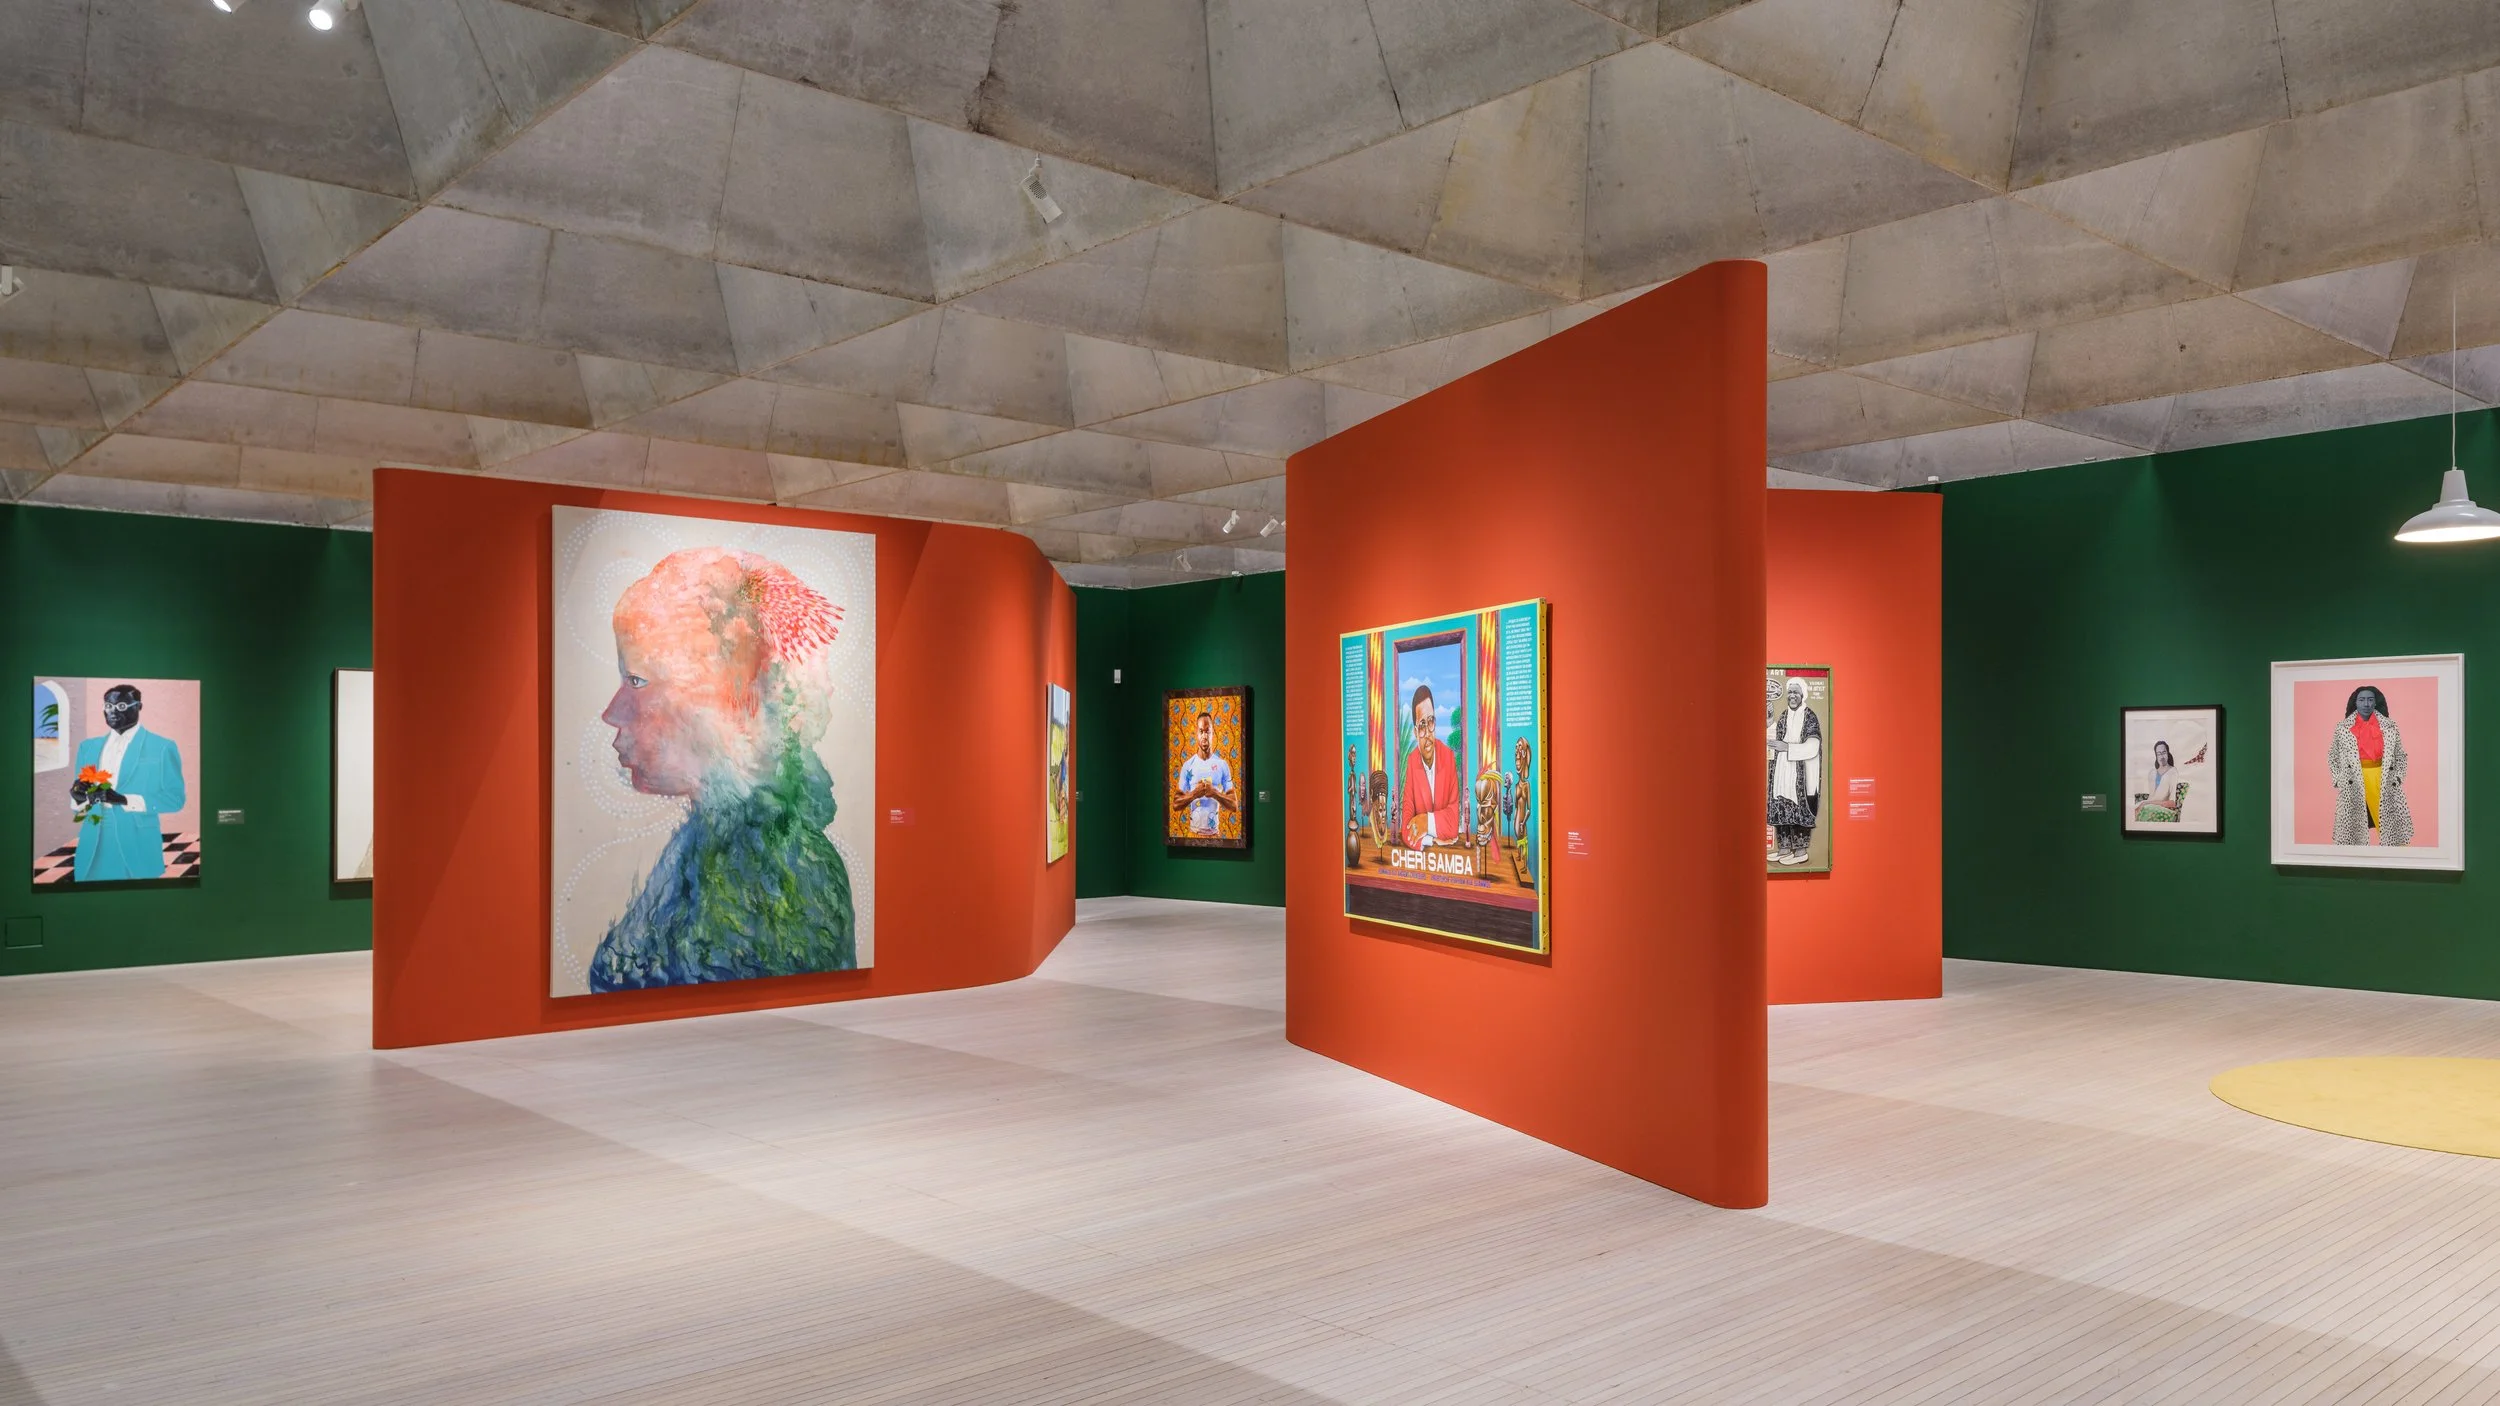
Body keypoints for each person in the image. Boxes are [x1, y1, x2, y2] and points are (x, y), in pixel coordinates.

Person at [588, 547, 856, 992]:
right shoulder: (707, 843)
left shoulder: (777, 874)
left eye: (637, 681)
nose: (613, 713)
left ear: (718, 701)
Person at [69, 684, 185, 882]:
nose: (113, 712)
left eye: (121, 706)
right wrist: (78, 798)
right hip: (94, 843)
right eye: (108, 706)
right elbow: (79, 806)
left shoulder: (162, 747)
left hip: (137, 843)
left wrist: (124, 800)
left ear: (139, 706)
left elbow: (175, 799)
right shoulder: (87, 748)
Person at [2330, 685, 2413, 846]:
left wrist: (2398, 777)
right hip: (2354, 780)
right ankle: (2354, 859)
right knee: (2352, 835)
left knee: (2393, 832)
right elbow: (2332, 756)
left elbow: (2401, 755)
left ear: (2376, 702)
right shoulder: (2342, 728)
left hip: (2383, 778)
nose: (2366, 704)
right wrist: (2338, 779)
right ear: (2355, 702)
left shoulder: (2390, 726)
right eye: (2361, 700)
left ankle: (2398, 857)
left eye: (2370, 700)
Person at [1399, 684, 1465, 846]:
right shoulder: (1412, 762)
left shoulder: (1448, 757)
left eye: (1431, 722)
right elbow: (1406, 827)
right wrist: (1431, 840)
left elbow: (1453, 823)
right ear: (1415, 732)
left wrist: (1425, 821)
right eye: (1422, 725)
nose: (1428, 733)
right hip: (1427, 856)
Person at [1766, 676, 1822, 866]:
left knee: (1797, 810)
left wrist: (1788, 747)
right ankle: (1784, 849)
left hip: (1800, 773)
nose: (1792, 696)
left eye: (1795, 693)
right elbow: (1774, 736)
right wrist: (1769, 720)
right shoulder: (1784, 715)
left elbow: (1813, 746)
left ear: (1802, 695)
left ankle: (1800, 852)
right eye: (1789, 692)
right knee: (1781, 806)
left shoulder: (1809, 717)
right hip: (1782, 772)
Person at [1173, 711, 1236, 838]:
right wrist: (1194, 794)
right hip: (1193, 835)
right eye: (1201, 731)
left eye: (1208, 731)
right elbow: (1175, 804)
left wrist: (1215, 793)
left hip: (1215, 836)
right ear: (1196, 734)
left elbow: (1234, 805)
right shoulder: (1188, 766)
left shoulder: (1222, 765)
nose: (1204, 736)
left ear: (1213, 733)